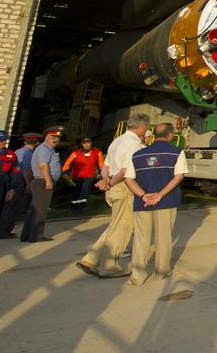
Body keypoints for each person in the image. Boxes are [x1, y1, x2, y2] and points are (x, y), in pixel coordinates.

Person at [78, 113, 149, 278]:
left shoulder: (117, 141)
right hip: (124, 188)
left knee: (115, 225)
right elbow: (125, 172)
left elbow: (106, 166)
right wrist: (110, 183)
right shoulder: (133, 144)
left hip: (113, 187)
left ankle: (91, 258)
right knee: (122, 228)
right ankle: (109, 266)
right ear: (143, 127)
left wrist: (106, 181)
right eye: (146, 127)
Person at [121, 122, 186, 285]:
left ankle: (137, 276)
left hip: (142, 204)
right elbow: (178, 177)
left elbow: (128, 179)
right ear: (171, 136)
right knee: (163, 238)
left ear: (154, 135)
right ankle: (162, 272)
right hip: (166, 203)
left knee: (141, 240)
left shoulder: (137, 155)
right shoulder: (177, 152)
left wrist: (143, 196)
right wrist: (160, 195)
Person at [21, 125, 64, 242]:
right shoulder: (45, 149)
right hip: (43, 181)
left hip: (41, 181)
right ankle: (36, 236)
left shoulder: (47, 149)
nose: (55, 140)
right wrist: (48, 181)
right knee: (41, 210)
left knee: (35, 210)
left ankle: (26, 235)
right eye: (53, 137)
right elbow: (43, 166)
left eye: (57, 138)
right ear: (46, 137)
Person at [0, 131, 41, 239]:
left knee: (8, 207)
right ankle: (4, 232)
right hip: (19, 182)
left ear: (25, 141)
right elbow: (26, 170)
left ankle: (2, 230)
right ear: (37, 143)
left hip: (11, 181)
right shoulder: (29, 154)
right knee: (14, 208)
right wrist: (28, 184)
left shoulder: (18, 151)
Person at [62, 137, 103, 211]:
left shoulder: (97, 152)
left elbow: (101, 164)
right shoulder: (75, 153)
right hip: (77, 176)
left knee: (85, 190)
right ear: (82, 144)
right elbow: (67, 164)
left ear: (91, 143)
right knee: (76, 191)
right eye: (84, 143)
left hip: (89, 176)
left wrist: (100, 173)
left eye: (88, 142)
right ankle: (74, 206)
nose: (87, 144)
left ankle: (81, 206)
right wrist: (66, 173)